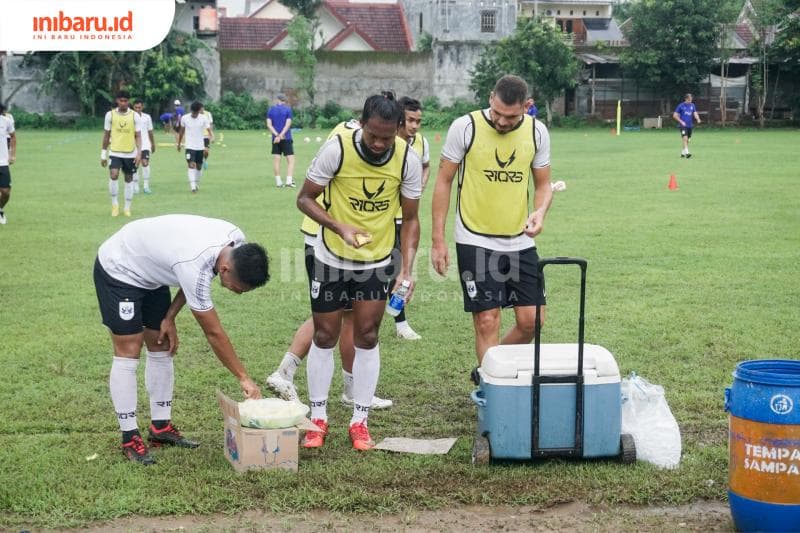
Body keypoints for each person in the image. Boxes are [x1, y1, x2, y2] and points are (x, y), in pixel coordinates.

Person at [296, 93, 422, 450]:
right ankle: (318, 419)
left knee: (367, 335)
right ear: (362, 123)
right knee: (325, 335)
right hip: (331, 257)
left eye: (387, 137)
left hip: (376, 261)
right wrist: (339, 227)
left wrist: (406, 269)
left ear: (399, 129)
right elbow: (304, 198)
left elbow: (411, 219)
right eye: (373, 135)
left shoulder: (407, 159)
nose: (379, 144)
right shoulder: (337, 148)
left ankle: (360, 421)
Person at [94, 214, 269, 465]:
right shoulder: (193, 263)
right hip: (121, 267)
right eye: (239, 287)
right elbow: (214, 332)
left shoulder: (235, 240)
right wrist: (243, 377)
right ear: (225, 269)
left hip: (154, 272)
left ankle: (160, 427)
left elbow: (195, 277)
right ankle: (129, 436)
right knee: (129, 348)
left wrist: (170, 316)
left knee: (161, 344)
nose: (239, 293)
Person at [265, 115, 393, 410]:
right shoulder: (349, 140)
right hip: (327, 238)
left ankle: (343, 385)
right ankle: (287, 372)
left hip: (331, 236)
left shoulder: (354, 134)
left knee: (344, 315)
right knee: (334, 316)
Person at [430, 75, 553, 382]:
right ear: (490, 98)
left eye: (510, 116)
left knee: (533, 320)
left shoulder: (537, 132)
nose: (501, 121)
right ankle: (495, 390)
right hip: (474, 237)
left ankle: (486, 373)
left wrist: (540, 212)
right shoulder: (465, 127)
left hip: (520, 240)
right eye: (497, 112)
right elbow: (443, 181)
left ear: (527, 106)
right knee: (487, 320)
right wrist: (438, 240)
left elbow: (543, 184)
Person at [389, 96, 431, 340]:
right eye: (410, 120)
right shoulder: (386, 141)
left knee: (402, 271)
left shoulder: (421, 142)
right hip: (383, 219)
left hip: (406, 219)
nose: (414, 125)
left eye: (418, 121)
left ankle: (401, 323)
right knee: (383, 272)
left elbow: (426, 165)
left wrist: (421, 184)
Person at [101, 90, 142, 217]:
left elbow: (138, 136)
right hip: (115, 152)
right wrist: (103, 154)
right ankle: (115, 205)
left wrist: (139, 153)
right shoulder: (110, 115)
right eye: (121, 100)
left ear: (128, 101)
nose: (123, 103)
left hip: (130, 153)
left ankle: (127, 208)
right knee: (113, 175)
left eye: (125, 101)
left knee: (129, 178)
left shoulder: (135, 116)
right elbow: (106, 135)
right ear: (117, 101)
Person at [176, 102, 211, 193]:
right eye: (193, 112)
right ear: (191, 110)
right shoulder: (185, 118)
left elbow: (208, 129)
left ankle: (196, 183)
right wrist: (179, 143)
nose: (195, 114)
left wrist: (211, 136)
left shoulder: (203, 118)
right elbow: (181, 131)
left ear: (199, 111)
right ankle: (193, 187)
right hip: (189, 146)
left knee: (199, 166)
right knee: (191, 165)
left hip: (200, 146)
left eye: (196, 112)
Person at [266, 94, 295, 188]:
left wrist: (277, 135)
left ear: (277, 100)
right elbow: (288, 124)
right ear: (285, 101)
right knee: (291, 160)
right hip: (286, 138)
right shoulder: (288, 109)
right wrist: (281, 135)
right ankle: (289, 182)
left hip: (275, 139)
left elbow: (269, 125)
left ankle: (278, 182)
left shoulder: (271, 109)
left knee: (276, 160)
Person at [132, 99, 156, 194]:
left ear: (142, 107)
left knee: (145, 163)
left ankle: (146, 186)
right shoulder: (130, 117)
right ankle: (135, 186)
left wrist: (153, 144)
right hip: (133, 145)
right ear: (133, 107)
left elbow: (150, 131)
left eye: (139, 107)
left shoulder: (147, 117)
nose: (137, 109)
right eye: (136, 107)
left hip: (145, 144)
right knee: (135, 165)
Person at [0, 102, 16, 225]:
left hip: (2, 162)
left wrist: (12, 154)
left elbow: (13, 137)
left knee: (6, 192)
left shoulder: (6, 121)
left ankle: (0, 209)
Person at [673, 93, 701, 158]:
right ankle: (687, 153)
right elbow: (674, 115)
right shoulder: (681, 106)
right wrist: (681, 122)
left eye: (691, 100)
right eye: (689, 100)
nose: (690, 101)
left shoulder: (692, 105)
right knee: (685, 138)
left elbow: (695, 113)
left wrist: (698, 118)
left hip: (690, 126)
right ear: (686, 99)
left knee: (687, 140)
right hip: (683, 126)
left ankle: (682, 153)